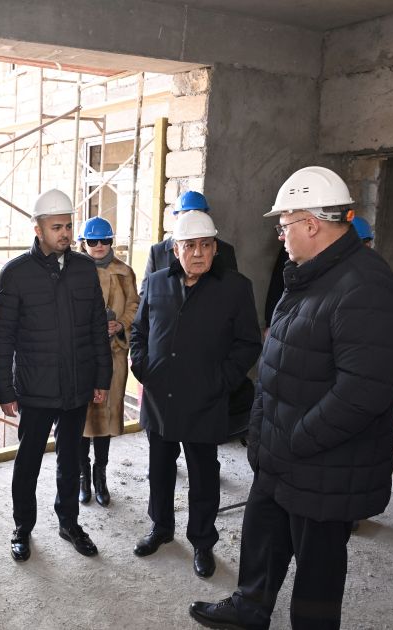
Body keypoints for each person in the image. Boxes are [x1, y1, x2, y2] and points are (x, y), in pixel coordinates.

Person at [190, 166, 393, 630]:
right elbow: (283, 360)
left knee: (317, 567)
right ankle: (250, 608)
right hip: (283, 451)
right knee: (263, 535)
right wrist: (264, 432)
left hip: (323, 461)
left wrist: (298, 438)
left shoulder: (367, 287)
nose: (281, 235)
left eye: (284, 225)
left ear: (312, 224)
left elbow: (363, 392)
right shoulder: (313, 275)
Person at [130, 211, 261, 579]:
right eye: (190, 246)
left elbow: (248, 344)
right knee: (160, 468)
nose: (198, 253)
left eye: (206, 245)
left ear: (215, 248)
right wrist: (143, 368)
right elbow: (139, 332)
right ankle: (160, 528)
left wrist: (221, 381)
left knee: (204, 474)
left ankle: (202, 541)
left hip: (206, 401)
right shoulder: (156, 283)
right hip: (161, 398)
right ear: (176, 250)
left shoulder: (235, 287)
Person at [0, 188, 112, 562]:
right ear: (37, 228)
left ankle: (69, 523)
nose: (65, 233)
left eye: (68, 226)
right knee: (28, 462)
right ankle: (22, 527)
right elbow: (2, 337)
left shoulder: (84, 269)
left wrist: (102, 378)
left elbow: (97, 326)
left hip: (76, 385)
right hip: (35, 388)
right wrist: (4, 388)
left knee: (70, 460)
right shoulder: (16, 274)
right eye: (56, 227)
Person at [76, 216, 140, 507]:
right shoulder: (72, 271)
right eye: (93, 241)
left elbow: (134, 304)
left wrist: (121, 324)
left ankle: (99, 475)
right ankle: (82, 476)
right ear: (83, 243)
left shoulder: (124, 272)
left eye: (105, 240)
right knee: (80, 418)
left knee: (107, 417)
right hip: (81, 355)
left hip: (113, 354)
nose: (99, 246)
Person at [144, 191, 238, 276]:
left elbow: (233, 284)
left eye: (197, 214)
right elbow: (148, 288)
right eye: (186, 214)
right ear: (176, 218)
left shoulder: (225, 250)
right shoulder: (157, 252)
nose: (191, 220)